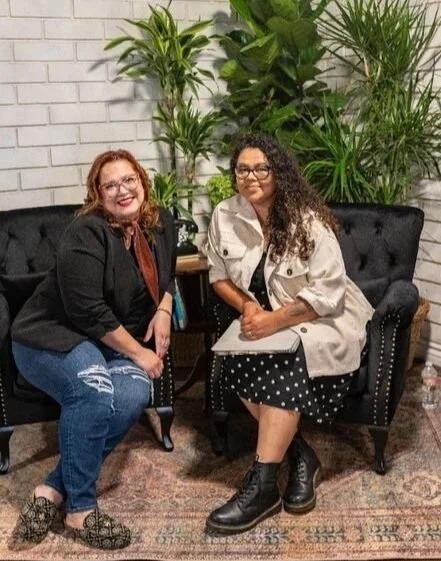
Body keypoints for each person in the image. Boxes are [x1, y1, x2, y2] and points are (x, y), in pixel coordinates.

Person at [205, 132, 373, 535]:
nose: (251, 177)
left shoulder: (307, 221)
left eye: (261, 168)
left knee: (283, 364)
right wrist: (247, 307)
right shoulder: (225, 215)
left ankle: (262, 486)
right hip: (263, 322)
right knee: (235, 359)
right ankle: (300, 456)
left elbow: (329, 293)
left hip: (323, 321)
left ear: (278, 172)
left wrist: (275, 321)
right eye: (242, 169)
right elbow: (217, 275)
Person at [11, 149, 176, 549]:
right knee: (94, 388)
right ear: (98, 195)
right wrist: (140, 353)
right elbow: (88, 312)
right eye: (110, 185)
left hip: (108, 342)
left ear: (142, 181)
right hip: (53, 335)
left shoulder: (160, 223)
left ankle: (52, 489)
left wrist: (165, 309)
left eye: (129, 180)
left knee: (135, 392)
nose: (122, 190)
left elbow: (169, 275)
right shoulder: (86, 232)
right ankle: (81, 509)